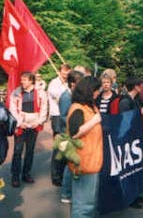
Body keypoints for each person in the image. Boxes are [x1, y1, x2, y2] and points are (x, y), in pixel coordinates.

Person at [67, 76, 103, 218]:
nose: (98, 93)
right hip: (84, 163)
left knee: (89, 204)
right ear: (88, 90)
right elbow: (74, 133)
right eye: (96, 90)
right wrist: (94, 121)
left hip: (93, 162)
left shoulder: (91, 107)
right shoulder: (77, 109)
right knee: (83, 206)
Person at [10, 72, 48, 187]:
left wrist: (38, 122)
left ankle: (26, 173)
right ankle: (15, 176)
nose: (22, 82)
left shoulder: (41, 93)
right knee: (17, 151)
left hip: (34, 124)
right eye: (22, 80)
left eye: (25, 80)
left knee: (30, 151)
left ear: (31, 81)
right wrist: (20, 122)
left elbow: (44, 108)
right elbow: (13, 108)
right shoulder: (16, 92)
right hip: (21, 124)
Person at [118, 77, 143, 208]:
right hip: (129, 139)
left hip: (135, 137)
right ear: (136, 87)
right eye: (140, 85)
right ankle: (130, 198)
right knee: (130, 169)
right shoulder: (125, 101)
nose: (142, 87)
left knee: (137, 167)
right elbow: (125, 121)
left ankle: (137, 194)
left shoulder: (134, 100)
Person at [58, 71, 84, 204]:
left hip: (73, 134)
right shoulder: (66, 97)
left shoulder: (73, 95)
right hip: (68, 135)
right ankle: (66, 193)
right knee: (70, 166)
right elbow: (63, 117)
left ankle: (70, 191)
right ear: (73, 83)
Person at [48, 64, 71, 186]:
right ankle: (56, 175)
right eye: (64, 72)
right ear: (59, 71)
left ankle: (62, 173)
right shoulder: (54, 83)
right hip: (57, 116)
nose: (65, 75)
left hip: (66, 115)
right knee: (58, 146)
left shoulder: (68, 84)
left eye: (68, 73)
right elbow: (60, 98)